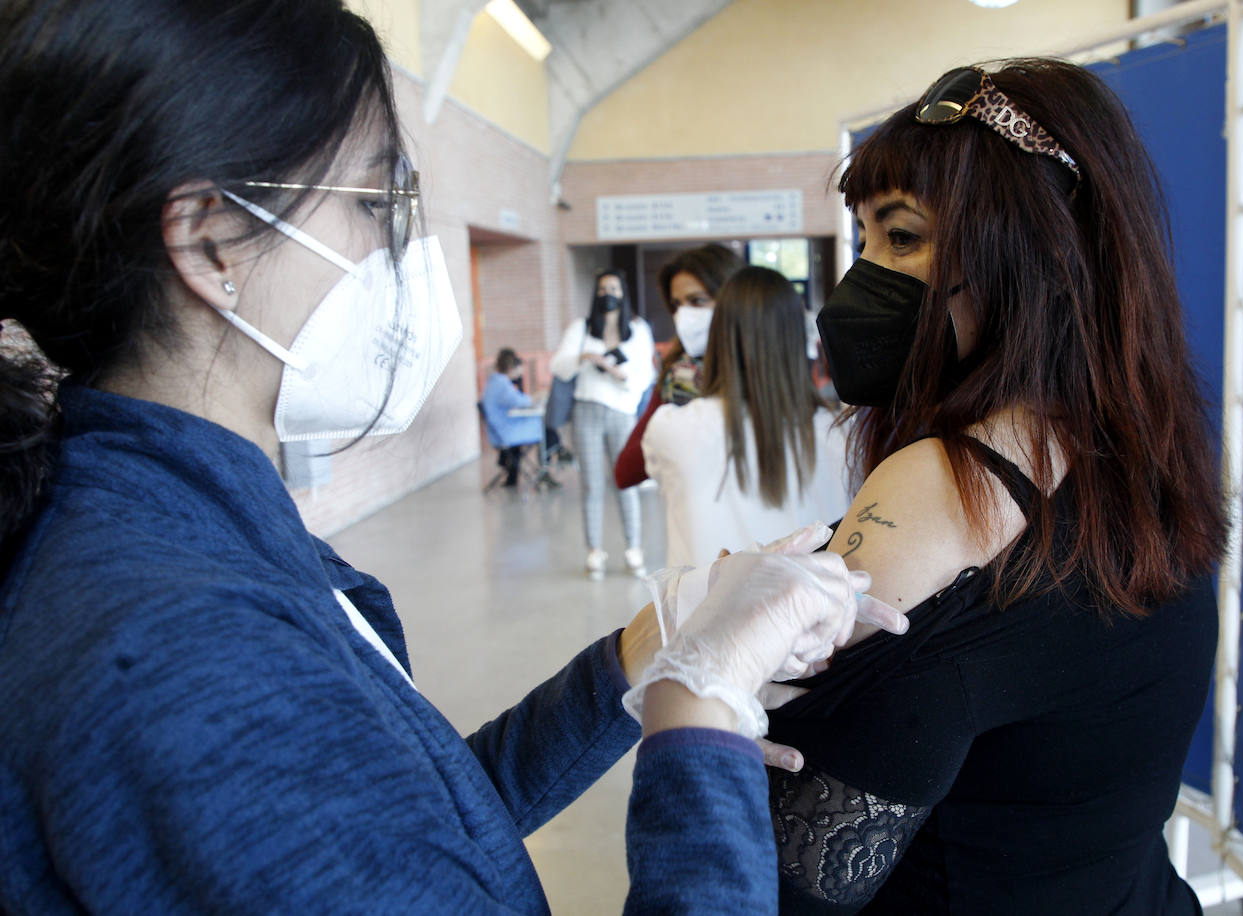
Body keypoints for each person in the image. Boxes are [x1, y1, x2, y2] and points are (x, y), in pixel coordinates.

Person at [0, 2, 910, 912]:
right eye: (374, 204)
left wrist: (652, 650)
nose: (400, 253)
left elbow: (424, 832)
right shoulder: (185, 654)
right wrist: (702, 720)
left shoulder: (180, 523)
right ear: (210, 239)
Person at [763, 60, 1227, 914]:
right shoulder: (1152, 465)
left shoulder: (944, 485)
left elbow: (794, 876)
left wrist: (703, 720)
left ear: (1033, 250)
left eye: (902, 237)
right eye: (863, 236)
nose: (865, 276)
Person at [642, 266, 850, 568]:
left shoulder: (670, 428)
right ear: (796, 338)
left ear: (718, 337)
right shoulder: (842, 432)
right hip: (814, 611)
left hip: (704, 612)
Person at [550, 269, 656, 579]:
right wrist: (585, 357)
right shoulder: (581, 328)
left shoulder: (638, 329)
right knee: (592, 484)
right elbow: (559, 367)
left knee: (625, 481)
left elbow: (646, 374)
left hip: (622, 411)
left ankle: (634, 548)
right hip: (587, 411)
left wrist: (621, 375)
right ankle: (594, 551)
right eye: (602, 288)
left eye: (614, 287)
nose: (608, 293)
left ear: (623, 293)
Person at [614, 242, 744, 489]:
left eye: (697, 301)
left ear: (734, 299)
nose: (684, 315)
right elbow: (626, 471)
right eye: (677, 305)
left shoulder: (769, 367)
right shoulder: (678, 376)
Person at [480, 347, 542, 487]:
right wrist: (532, 399)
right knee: (543, 425)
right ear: (512, 367)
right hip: (505, 431)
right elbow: (518, 401)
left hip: (500, 428)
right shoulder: (502, 384)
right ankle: (543, 472)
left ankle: (511, 473)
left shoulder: (495, 381)